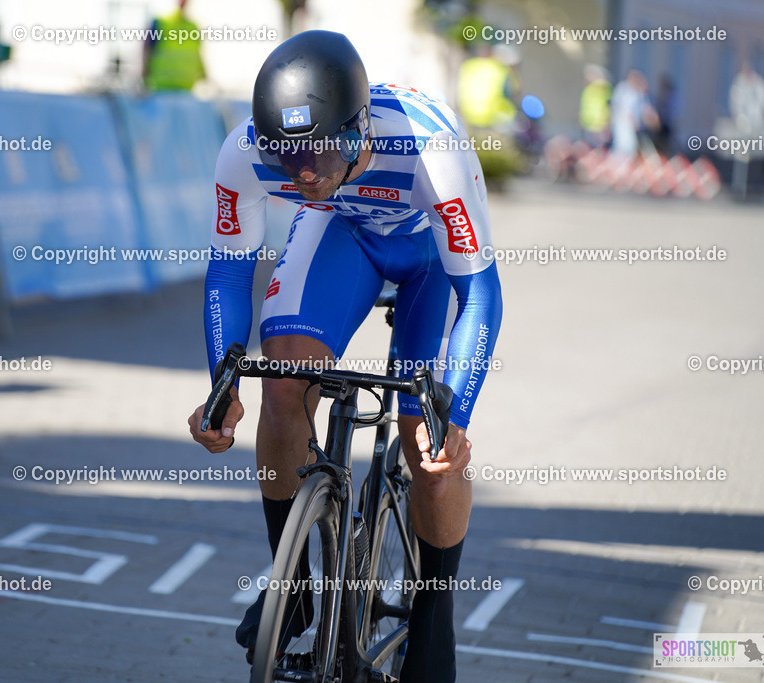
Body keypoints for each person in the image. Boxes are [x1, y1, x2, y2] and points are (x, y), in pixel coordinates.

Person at [187, 30, 502, 682]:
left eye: (319, 155)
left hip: (430, 262)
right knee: (281, 385)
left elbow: (480, 293)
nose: (302, 175)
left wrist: (458, 416)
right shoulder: (247, 151)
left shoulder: (428, 146)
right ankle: (295, 589)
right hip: (348, 234)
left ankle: (434, 620)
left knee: (431, 451)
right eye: (285, 160)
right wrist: (223, 385)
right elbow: (226, 272)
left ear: (358, 128)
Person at [142, 0, 205, 92]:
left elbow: (197, 54)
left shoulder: (193, 27)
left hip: (186, 89)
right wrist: (143, 78)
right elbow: (146, 50)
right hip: (162, 89)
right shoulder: (160, 23)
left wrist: (204, 77)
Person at [579, 64, 612, 147]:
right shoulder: (588, 89)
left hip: (600, 125)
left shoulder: (604, 88)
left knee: (599, 148)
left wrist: (607, 123)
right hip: (588, 124)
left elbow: (609, 105)